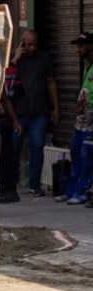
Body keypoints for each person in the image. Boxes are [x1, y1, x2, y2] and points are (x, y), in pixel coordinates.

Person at [12, 29, 59, 196]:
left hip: (39, 112)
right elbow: (5, 78)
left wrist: (56, 107)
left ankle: (35, 185)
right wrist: (15, 59)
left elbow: (51, 82)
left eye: (35, 45)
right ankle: (10, 184)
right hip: (18, 113)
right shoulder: (15, 58)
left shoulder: (44, 59)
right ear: (22, 43)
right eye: (29, 45)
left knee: (37, 147)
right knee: (14, 147)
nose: (32, 48)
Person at [61, 31, 93, 205]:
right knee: (76, 152)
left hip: (90, 119)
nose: (78, 50)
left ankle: (82, 191)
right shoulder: (87, 65)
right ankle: (72, 189)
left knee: (87, 155)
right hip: (81, 118)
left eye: (81, 46)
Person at [0, 63, 23, 203]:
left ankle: (4, 189)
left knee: (2, 158)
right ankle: (9, 190)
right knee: (7, 156)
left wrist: (14, 120)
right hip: (3, 122)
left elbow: (4, 99)